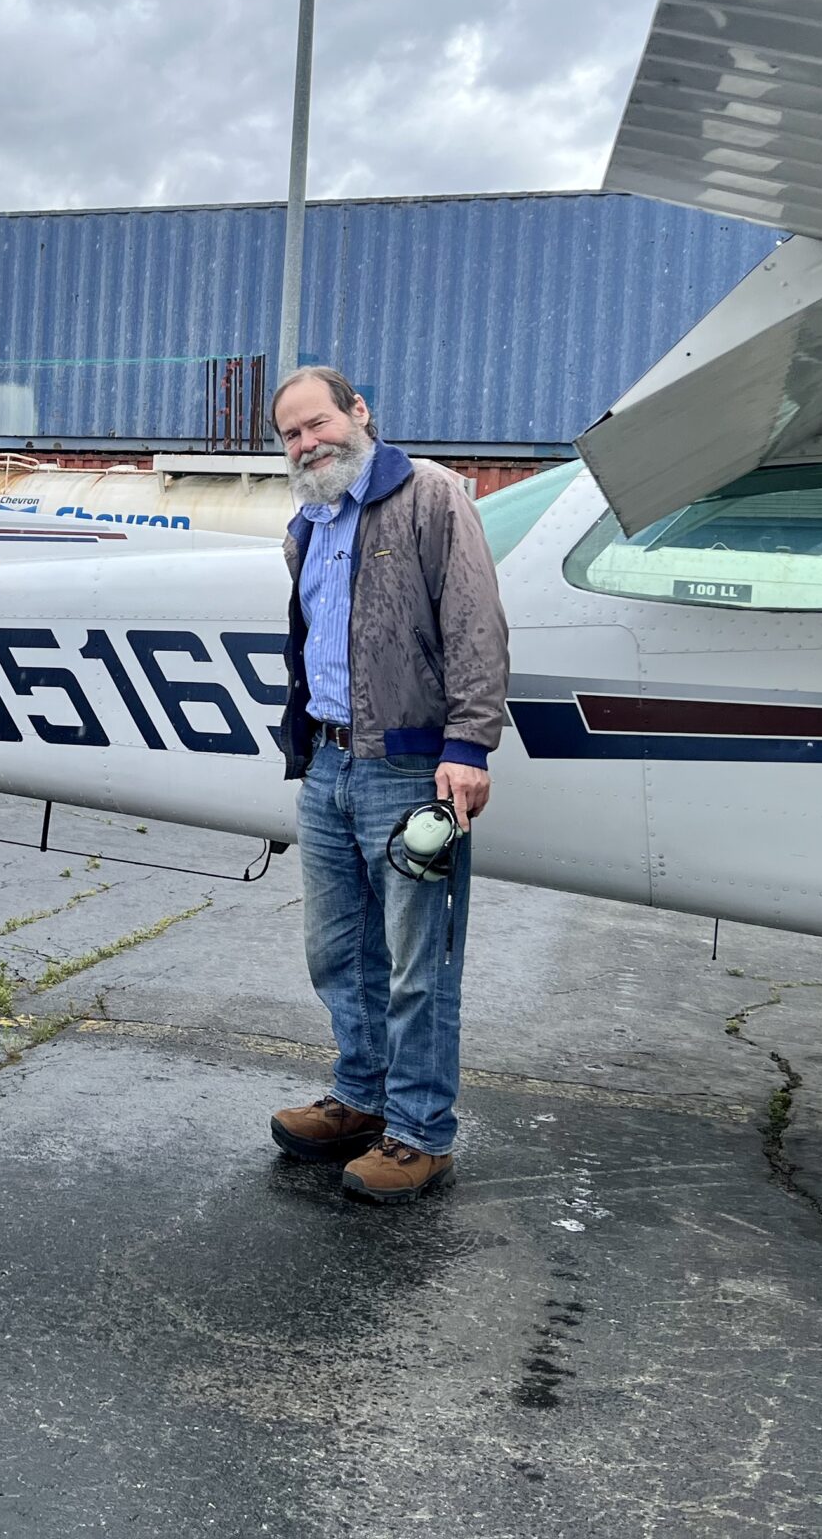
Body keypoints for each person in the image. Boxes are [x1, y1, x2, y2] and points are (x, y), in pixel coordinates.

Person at [267, 366, 509, 1202]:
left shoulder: (433, 497)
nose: (307, 443)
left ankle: (420, 1135)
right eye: (291, 434)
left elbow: (475, 622)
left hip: (409, 765)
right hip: (329, 762)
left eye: (317, 423)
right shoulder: (308, 521)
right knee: (338, 953)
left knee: (418, 965)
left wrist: (470, 744)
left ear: (359, 412)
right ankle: (362, 1100)